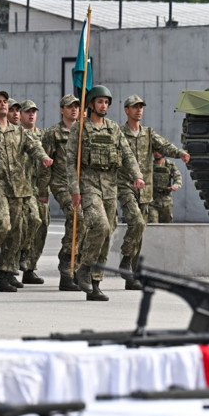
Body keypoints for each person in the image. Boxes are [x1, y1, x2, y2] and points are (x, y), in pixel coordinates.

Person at [0, 90, 53, 292]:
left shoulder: (20, 132)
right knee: (2, 224)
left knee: (16, 231)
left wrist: (43, 157)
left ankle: (5, 276)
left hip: (18, 187)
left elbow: (34, 146)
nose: (3, 104)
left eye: (5, 101)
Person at [66, 85, 144, 301]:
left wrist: (137, 175)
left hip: (110, 187)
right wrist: (74, 190)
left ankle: (95, 284)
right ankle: (84, 268)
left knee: (107, 235)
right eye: (100, 101)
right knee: (100, 226)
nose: (104, 105)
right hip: (88, 185)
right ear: (91, 104)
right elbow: (70, 161)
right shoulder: (80, 128)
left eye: (106, 102)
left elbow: (127, 155)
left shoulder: (113, 128)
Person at [117, 95, 189, 287]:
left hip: (145, 190)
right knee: (137, 222)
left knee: (139, 232)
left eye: (141, 107)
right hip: (126, 186)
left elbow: (164, 145)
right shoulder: (119, 133)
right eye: (135, 107)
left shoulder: (148, 133)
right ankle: (125, 258)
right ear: (126, 110)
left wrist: (180, 153)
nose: (139, 110)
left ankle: (132, 276)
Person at [38, 94, 83, 291]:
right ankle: (66, 269)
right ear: (61, 109)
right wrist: (43, 190)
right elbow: (45, 164)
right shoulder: (53, 133)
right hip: (62, 183)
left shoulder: (84, 131)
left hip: (82, 185)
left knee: (85, 224)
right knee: (77, 216)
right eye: (69, 106)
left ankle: (78, 266)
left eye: (76, 106)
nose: (74, 109)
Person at [18, 100, 47, 284]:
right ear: (20, 115)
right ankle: (20, 254)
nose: (31, 115)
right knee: (31, 221)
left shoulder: (43, 135)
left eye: (33, 112)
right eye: (27, 111)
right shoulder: (17, 134)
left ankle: (30, 268)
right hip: (23, 186)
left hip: (40, 187)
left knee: (42, 226)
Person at [148, 151, 182, 223]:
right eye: (155, 152)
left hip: (166, 201)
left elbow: (178, 177)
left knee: (166, 226)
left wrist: (175, 186)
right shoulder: (149, 165)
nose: (156, 154)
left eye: (159, 151)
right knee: (153, 224)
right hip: (152, 201)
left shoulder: (169, 165)